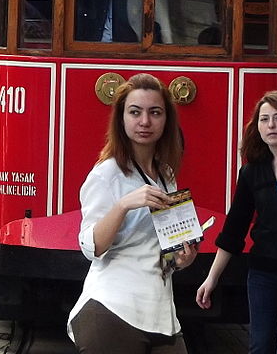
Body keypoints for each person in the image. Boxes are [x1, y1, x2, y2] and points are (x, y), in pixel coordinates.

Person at [67, 73, 195, 352]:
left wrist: (182, 257)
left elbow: (164, 247)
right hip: (113, 310)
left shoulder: (166, 174)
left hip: (162, 315)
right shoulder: (106, 175)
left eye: (155, 112)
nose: (145, 121)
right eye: (135, 112)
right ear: (121, 119)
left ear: (166, 120)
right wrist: (124, 204)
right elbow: (92, 247)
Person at [196, 92, 277, 353]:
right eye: (264, 119)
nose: (270, 125)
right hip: (263, 274)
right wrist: (211, 278)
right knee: (260, 346)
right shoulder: (252, 172)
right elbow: (234, 230)